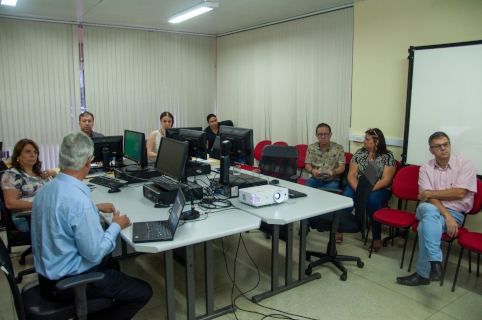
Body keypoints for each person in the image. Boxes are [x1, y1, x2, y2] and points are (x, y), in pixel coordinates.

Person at [31, 131, 152, 319]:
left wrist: (94, 209)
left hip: (48, 276)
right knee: (143, 291)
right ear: (88, 162)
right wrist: (115, 226)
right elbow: (94, 253)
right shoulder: (79, 203)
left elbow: (61, 214)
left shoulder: (45, 190)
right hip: (68, 283)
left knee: (112, 264)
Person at [396, 132, 476, 286]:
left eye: (446, 144)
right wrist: (446, 215)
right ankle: (435, 261)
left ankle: (424, 273)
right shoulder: (426, 167)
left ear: (450, 146)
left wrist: (430, 194)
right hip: (432, 210)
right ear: (431, 150)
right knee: (429, 208)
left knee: (425, 227)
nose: (443, 148)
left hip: (455, 214)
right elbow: (427, 199)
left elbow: (460, 192)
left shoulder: (465, 164)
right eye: (438, 146)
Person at [339, 128, 396, 251]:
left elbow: (385, 180)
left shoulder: (387, 156)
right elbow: (351, 174)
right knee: (347, 198)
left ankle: (376, 238)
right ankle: (339, 229)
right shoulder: (360, 153)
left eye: (367, 139)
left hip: (379, 188)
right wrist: (359, 189)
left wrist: (366, 191)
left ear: (377, 142)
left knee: (371, 201)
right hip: (357, 185)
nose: (363, 141)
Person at [1, 139, 57, 232]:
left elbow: (55, 191)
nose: (33, 155)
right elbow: (10, 203)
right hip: (27, 218)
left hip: (46, 213)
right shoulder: (12, 174)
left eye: (35, 152)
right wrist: (39, 205)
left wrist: (54, 175)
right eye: (28, 151)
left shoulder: (39, 173)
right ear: (18, 156)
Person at [304, 123, 346, 190]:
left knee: (325, 195)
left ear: (330, 135)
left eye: (326, 134)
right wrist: (313, 171)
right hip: (315, 179)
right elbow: (307, 165)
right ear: (316, 136)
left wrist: (333, 172)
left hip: (332, 180)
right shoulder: (311, 148)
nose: (323, 137)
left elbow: (342, 167)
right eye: (320, 134)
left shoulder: (338, 148)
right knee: (306, 190)